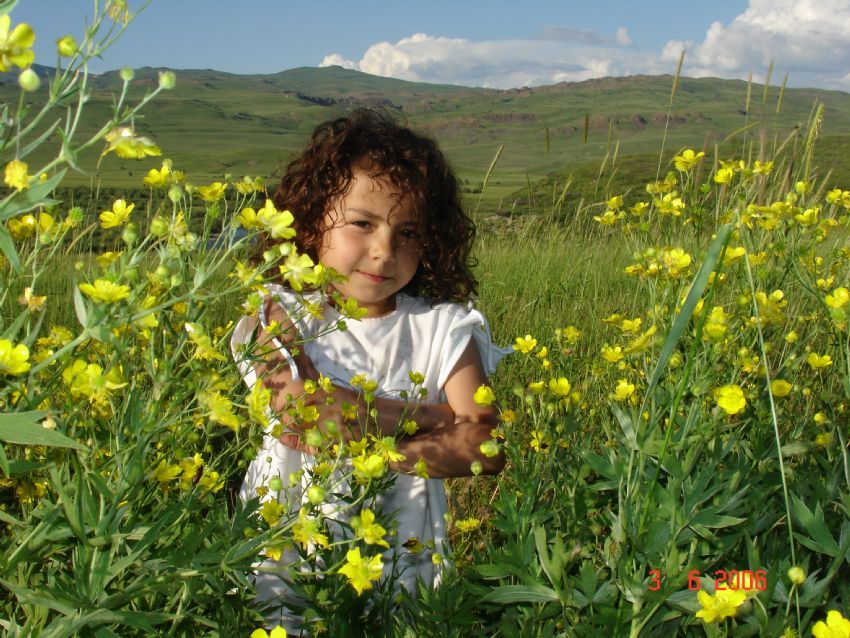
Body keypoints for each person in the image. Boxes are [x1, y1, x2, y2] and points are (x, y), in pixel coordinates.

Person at [230, 109, 512, 632]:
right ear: (312, 221)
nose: (385, 252)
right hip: (290, 543)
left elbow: (484, 446)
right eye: (362, 223)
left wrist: (373, 444)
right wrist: (431, 416)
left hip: (404, 551)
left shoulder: (445, 326)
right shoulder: (278, 309)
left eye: (408, 232)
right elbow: (304, 413)